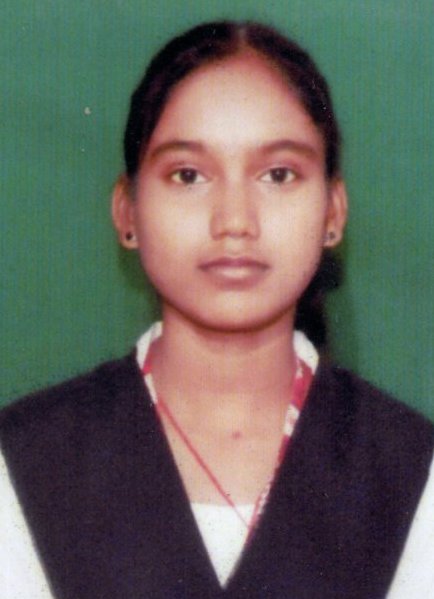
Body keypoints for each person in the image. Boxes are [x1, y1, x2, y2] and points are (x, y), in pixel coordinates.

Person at [0, 20, 433, 599]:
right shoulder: (24, 463)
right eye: (188, 175)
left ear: (333, 212)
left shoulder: (412, 471)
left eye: (278, 175)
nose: (235, 221)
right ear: (127, 211)